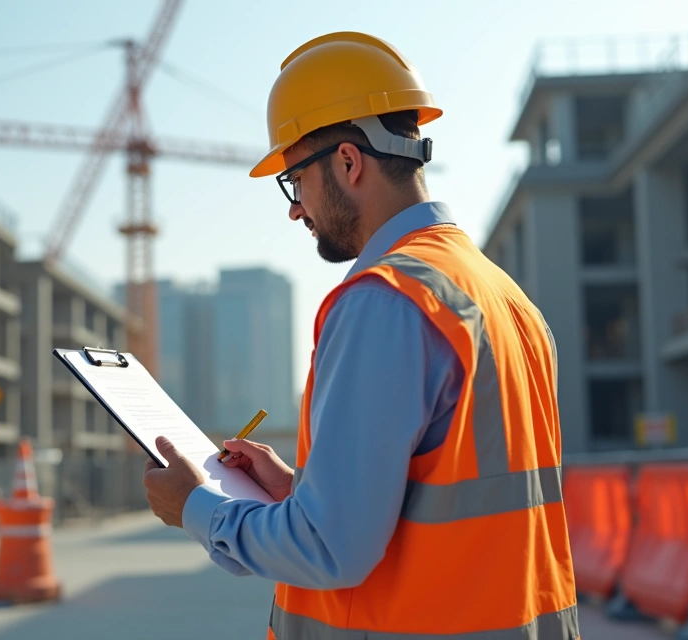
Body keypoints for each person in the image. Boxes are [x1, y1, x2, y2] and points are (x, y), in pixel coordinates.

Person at [143, 31, 579, 639]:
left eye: (295, 181)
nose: (296, 209)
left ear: (348, 163)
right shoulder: (503, 298)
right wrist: (302, 491)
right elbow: (446, 501)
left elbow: (331, 547)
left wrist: (195, 507)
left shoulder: (384, 300)